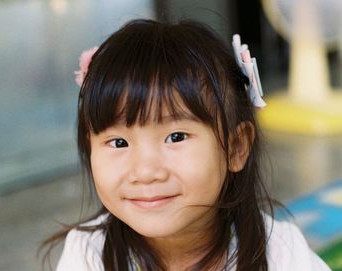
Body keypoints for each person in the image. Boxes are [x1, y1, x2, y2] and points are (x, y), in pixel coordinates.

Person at [45, 19, 331, 271]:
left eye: (176, 137)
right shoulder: (89, 254)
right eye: (118, 142)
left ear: (236, 148)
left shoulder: (280, 252)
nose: (145, 172)